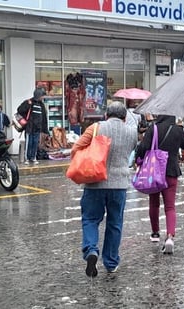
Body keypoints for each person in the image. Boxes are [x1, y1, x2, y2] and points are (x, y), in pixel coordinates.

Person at [72, 101, 137, 278]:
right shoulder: (132, 132)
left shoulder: (95, 128)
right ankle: (111, 262)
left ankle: (91, 250)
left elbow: (75, 149)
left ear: (106, 115)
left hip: (95, 183)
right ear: (124, 117)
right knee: (115, 223)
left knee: (90, 219)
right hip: (119, 185)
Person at [135, 115, 184, 254]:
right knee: (170, 206)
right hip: (171, 171)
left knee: (154, 203)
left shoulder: (153, 128)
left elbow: (143, 148)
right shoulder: (178, 130)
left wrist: (138, 158)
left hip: (154, 172)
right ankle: (170, 236)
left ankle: (155, 233)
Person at [17, 87, 49, 165]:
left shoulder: (41, 105)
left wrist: (45, 130)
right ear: (38, 95)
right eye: (42, 96)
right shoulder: (29, 102)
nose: (43, 97)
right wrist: (27, 106)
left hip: (37, 128)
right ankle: (27, 158)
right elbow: (20, 110)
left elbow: (44, 118)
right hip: (29, 127)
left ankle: (33, 157)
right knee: (29, 143)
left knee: (35, 143)